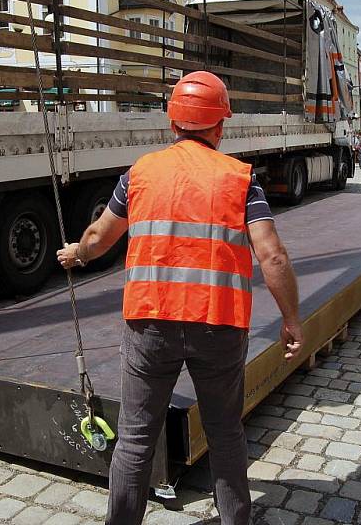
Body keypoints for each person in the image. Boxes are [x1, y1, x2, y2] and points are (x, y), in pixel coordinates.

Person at [57, 72, 302, 525]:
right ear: (219, 126)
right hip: (219, 326)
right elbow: (273, 256)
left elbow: (99, 237)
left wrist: (77, 252)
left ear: (172, 124)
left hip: (150, 323)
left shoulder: (139, 175)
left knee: (135, 439)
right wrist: (291, 319)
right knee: (226, 434)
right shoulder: (240, 180)